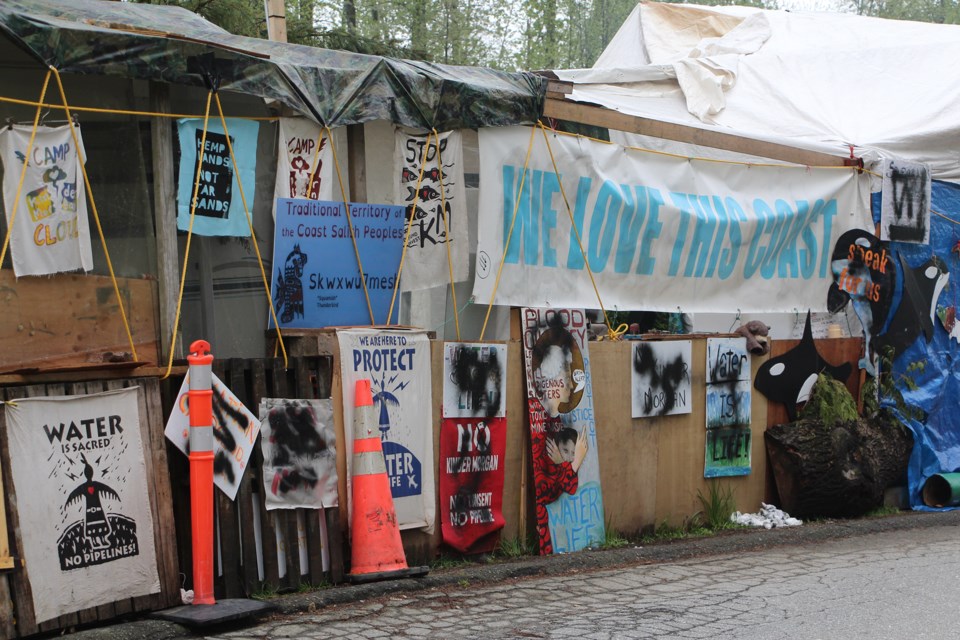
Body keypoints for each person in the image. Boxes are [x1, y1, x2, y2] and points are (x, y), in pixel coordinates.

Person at [528, 316, 589, 554]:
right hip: (546, 534)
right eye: (565, 372)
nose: (570, 383)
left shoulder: (553, 418)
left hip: (552, 536)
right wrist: (571, 464)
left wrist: (564, 466)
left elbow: (568, 487)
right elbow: (546, 489)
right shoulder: (537, 414)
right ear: (553, 377)